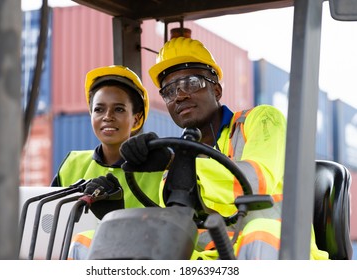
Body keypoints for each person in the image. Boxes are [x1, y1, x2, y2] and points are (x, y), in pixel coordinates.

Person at [119, 37, 329, 260]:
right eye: (169, 91)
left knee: (259, 235)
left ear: (217, 90)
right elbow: (176, 230)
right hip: (217, 262)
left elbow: (255, 182)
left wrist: (177, 161)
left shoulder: (262, 120)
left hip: (281, 253)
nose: (180, 95)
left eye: (191, 83)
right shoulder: (175, 166)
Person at [51, 65, 163, 259]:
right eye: (99, 109)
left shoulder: (160, 169)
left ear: (136, 120)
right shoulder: (71, 164)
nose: (107, 117)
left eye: (118, 109)